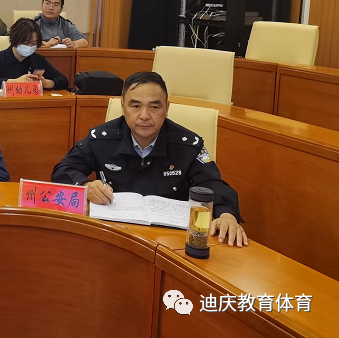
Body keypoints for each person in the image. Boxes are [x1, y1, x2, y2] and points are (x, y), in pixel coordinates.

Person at [51, 72, 248, 247]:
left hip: (171, 241)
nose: (144, 116)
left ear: (167, 108)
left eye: (154, 107)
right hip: (114, 234)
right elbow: (63, 170)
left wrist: (227, 215)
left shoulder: (187, 144)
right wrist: (86, 186)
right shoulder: (102, 138)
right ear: (123, 107)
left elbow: (212, 183)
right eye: (135, 106)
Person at [0, 18, 69, 90]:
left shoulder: (38, 60)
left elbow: (63, 80)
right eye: (26, 43)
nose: (30, 46)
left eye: (34, 43)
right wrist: (14, 82)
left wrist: (46, 83)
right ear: (15, 39)